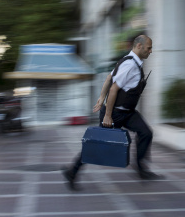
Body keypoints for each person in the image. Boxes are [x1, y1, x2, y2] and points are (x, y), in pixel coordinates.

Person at [62, 35, 163, 190]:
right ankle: (72, 172)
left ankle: (141, 169)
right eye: (149, 47)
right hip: (114, 113)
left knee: (146, 133)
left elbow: (109, 77)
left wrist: (101, 97)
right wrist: (108, 115)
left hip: (128, 113)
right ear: (139, 46)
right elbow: (114, 88)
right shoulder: (129, 64)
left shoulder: (130, 61)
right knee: (98, 145)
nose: (151, 51)